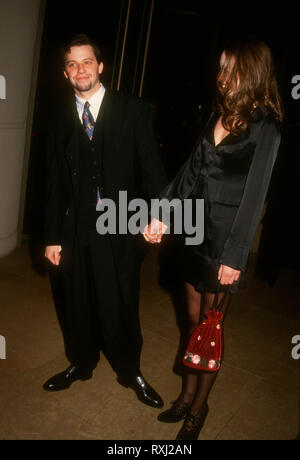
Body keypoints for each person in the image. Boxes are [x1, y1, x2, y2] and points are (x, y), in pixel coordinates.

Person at [144, 39, 283, 439]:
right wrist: (163, 214)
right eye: (220, 67)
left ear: (252, 73)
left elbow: (256, 196)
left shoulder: (266, 127)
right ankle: (187, 395)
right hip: (193, 232)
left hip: (225, 242)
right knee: (191, 323)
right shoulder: (217, 113)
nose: (221, 77)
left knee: (209, 331)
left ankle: (199, 410)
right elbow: (191, 171)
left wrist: (236, 257)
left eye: (230, 69)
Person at [43, 34, 167, 409]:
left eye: (87, 61)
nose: (80, 69)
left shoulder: (133, 110)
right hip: (75, 227)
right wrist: (52, 236)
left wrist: (159, 213)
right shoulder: (57, 117)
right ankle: (80, 363)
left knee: (121, 302)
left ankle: (130, 370)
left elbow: (152, 170)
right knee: (76, 301)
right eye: (72, 64)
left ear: (100, 66)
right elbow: (51, 182)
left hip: (121, 225)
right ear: (66, 73)